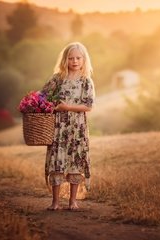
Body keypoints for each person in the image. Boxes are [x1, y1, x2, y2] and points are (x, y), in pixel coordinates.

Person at [41, 42, 95, 210]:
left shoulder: (86, 81)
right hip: (59, 127)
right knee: (57, 162)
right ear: (65, 60)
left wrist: (68, 107)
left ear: (84, 59)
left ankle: (73, 201)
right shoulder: (57, 78)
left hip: (77, 128)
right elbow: (43, 97)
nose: (75, 61)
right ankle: (55, 202)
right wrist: (43, 105)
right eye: (71, 58)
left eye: (78, 58)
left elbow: (88, 106)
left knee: (75, 162)